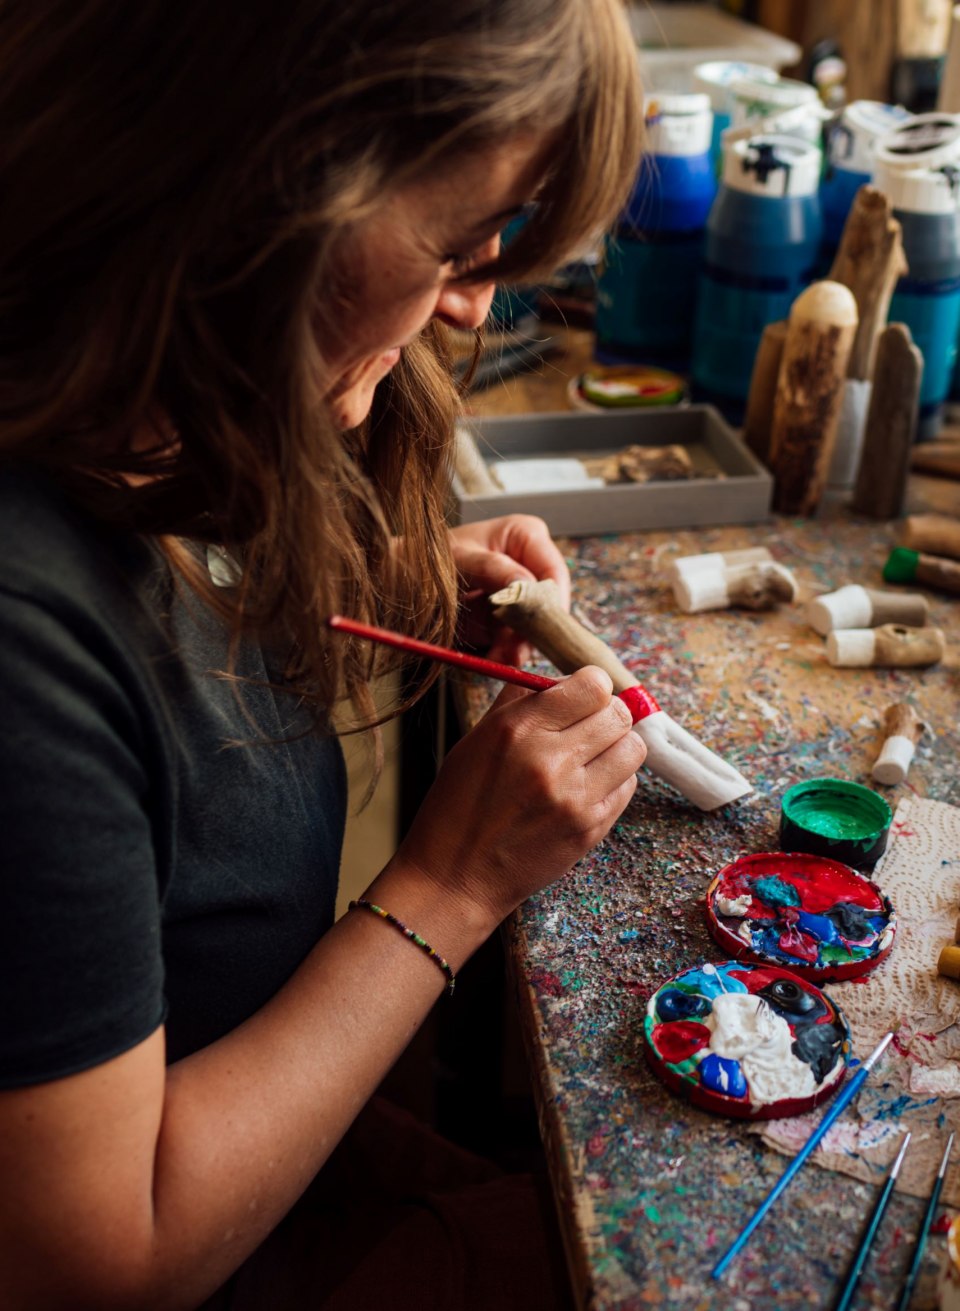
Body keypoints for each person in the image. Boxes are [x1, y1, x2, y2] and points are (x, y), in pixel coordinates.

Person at [0, 1, 645, 1306]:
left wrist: (358, 592)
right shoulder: (20, 638)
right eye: (464, 243)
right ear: (269, 192)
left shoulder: (149, 423)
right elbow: (90, 1263)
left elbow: (151, 665)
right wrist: (455, 882)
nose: (474, 305)